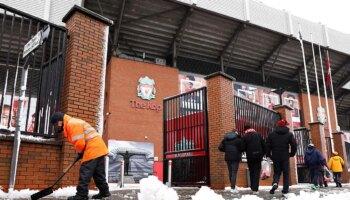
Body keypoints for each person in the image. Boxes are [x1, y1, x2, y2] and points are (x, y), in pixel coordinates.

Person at [50, 112, 110, 200]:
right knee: (98, 173)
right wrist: (82, 152)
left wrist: (81, 152)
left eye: (56, 124)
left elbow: (80, 142)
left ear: (60, 121)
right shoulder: (72, 122)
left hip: (92, 148)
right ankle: (104, 192)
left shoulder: (71, 124)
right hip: (99, 148)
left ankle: (81, 195)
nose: (56, 127)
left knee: (85, 172)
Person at [266, 119, 297, 195]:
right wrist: (292, 154)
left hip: (275, 156)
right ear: (285, 125)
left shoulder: (271, 134)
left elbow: (267, 145)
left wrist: (269, 155)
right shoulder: (289, 134)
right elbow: (294, 145)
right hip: (285, 156)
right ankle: (285, 190)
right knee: (286, 173)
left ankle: (275, 183)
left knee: (277, 172)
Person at [241, 124, 265, 195]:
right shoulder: (258, 135)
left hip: (250, 156)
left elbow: (242, 147)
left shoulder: (245, 137)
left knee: (251, 171)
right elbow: (264, 145)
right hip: (258, 156)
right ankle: (255, 189)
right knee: (257, 172)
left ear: (245, 130)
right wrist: (262, 154)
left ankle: (252, 187)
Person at [218, 129, 244, 193]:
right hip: (235, 157)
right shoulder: (238, 139)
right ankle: (233, 188)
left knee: (230, 172)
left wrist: (226, 150)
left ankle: (232, 186)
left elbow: (220, 147)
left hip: (228, 157)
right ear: (236, 133)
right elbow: (242, 148)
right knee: (234, 172)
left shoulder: (225, 139)